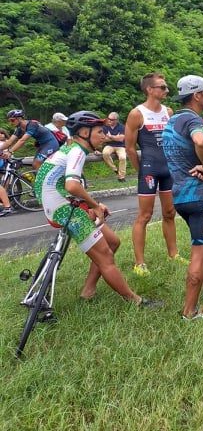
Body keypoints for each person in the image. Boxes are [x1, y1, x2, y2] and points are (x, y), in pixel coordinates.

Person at [34, 111, 160, 307]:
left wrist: (94, 204)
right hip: (61, 207)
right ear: (84, 132)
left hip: (60, 200)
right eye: (100, 132)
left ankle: (88, 290)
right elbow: (72, 186)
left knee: (112, 242)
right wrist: (94, 205)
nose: (104, 136)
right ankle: (136, 301)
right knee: (105, 255)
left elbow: (65, 185)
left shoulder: (73, 149)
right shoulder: (76, 151)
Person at [163, 76, 203, 320]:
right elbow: (200, 141)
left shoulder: (173, 120)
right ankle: (189, 311)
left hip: (181, 197)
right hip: (199, 195)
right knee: (199, 249)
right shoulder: (192, 119)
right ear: (197, 96)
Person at [124, 73, 182, 276]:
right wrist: (141, 169)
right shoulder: (137, 113)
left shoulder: (169, 111)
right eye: (162, 87)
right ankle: (139, 263)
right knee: (145, 216)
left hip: (168, 169)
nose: (166, 90)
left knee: (169, 213)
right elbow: (129, 147)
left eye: (166, 87)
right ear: (149, 89)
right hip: (149, 168)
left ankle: (173, 253)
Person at [102, 112, 127, 183]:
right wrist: (116, 137)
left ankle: (121, 177)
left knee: (123, 157)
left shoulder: (122, 127)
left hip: (120, 146)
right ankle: (115, 169)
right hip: (109, 145)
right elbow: (104, 139)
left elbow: (121, 139)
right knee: (105, 153)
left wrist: (110, 136)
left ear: (116, 120)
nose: (109, 120)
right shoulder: (105, 127)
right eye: (109, 119)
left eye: (112, 119)